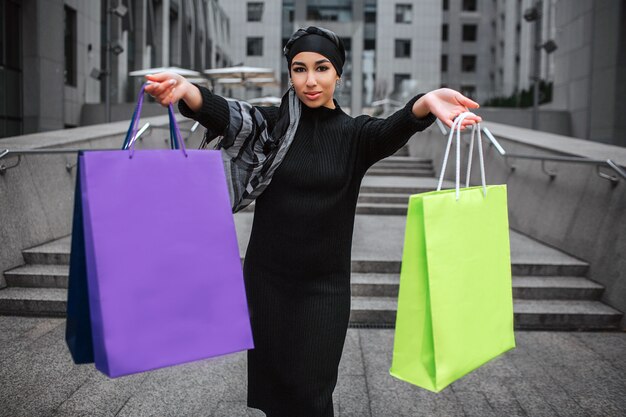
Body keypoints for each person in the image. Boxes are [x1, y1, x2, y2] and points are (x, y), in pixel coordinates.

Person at [145, 26, 481, 417]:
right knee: (278, 393)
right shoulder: (273, 126)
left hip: (324, 288)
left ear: (338, 73)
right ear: (289, 74)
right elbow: (227, 115)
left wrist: (426, 101)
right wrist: (187, 91)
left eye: (321, 68)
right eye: (299, 69)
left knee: (312, 394)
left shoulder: (356, 136)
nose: (310, 80)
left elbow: (398, 125)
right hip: (267, 280)